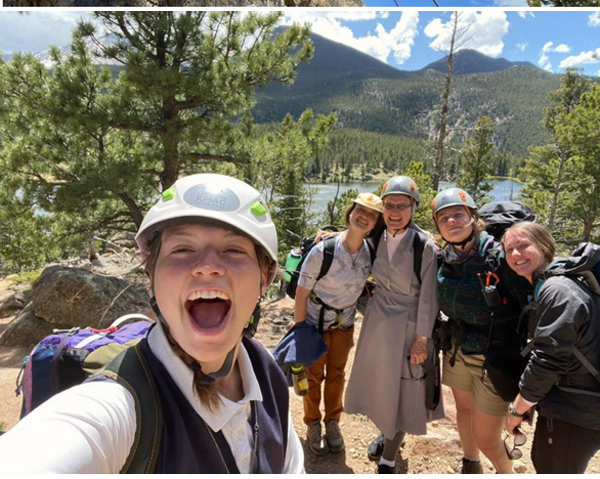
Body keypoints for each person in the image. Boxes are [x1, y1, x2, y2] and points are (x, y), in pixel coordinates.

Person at [0, 173, 304, 473]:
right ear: (151, 278)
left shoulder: (266, 375)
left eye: (233, 250)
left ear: (264, 278)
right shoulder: (119, 406)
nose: (208, 266)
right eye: (183, 249)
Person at [344, 176, 443, 474]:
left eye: (402, 205)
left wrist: (422, 340)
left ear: (413, 207)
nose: (395, 211)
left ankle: (389, 455)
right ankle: (386, 433)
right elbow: (352, 236)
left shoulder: (424, 245)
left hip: (409, 325)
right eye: (389, 205)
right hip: (378, 321)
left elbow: (429, 296)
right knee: (381, 385)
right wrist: (328, 234)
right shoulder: (378, 235)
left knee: (404, 390)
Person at [433, 187, 530, 475]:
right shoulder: (445, 257)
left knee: (488, 436)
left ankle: (505, 471)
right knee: (464, 410)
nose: (451, 221)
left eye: (458, 215)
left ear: (474, 217)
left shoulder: (498, 257)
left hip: (494, 354)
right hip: (456, 346)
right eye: (443, 218)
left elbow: (528, 304)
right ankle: (470, 462)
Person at [503, 222, 600, 474]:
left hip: (574, 411)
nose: (515, 254)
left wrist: (517, 409)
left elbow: (547, 360)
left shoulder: (557, 290)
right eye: (509, 249)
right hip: (584, 401)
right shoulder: (567, 283)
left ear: (545, 247)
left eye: (523, 245)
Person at [294, 192, 384, 457]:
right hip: (314, 324)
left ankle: (332, 422)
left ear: (375, 223)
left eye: (371, 214)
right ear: (350, 213)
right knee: (312, 377)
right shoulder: (324, 250)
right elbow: (301, 293)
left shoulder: (369, 252)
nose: (364, 217)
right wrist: (299, 332)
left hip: (344, 325)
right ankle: (313, 424)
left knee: (336, 376)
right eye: (360, 210)